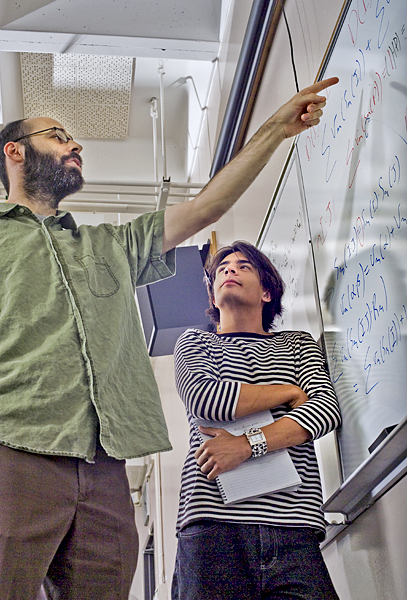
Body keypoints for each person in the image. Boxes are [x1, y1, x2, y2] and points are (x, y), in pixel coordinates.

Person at [0, 77, 338, 600]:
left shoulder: (110, 244)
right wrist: (288, 397)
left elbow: (206, 208)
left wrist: (274, 130)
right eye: (58, 135)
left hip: (105, 465)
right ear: (15, 152)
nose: (76, 145)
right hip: (15, 450)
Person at [172, 241, 341, 599]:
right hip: (214, 527)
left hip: (294, 526)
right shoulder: (195, 342)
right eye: (222, 269)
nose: (229, 271)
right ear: (214, 296)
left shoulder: (297, 344)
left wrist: (247, 445)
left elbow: (324, 410)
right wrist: (287, 392)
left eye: (243, 266)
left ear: (267, 291)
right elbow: (206, 400)